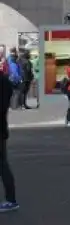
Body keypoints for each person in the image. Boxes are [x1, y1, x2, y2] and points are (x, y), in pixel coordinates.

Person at [0, 64, 17, 212]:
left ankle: (11, 199)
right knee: (3, 163)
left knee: (2, 164)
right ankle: (11, 199)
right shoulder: (5, 80)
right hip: (1, 127)